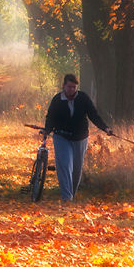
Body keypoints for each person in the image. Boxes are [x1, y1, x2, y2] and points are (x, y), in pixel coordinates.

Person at [43, 73, 113, 201]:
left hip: (80, 137)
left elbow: (93, 115)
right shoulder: (57, 99)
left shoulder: (83, 98)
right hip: (61, 136)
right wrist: (47, 130)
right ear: (64, 86)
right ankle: (67, 198)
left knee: (76, 169)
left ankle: (72, 195)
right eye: (69, 87)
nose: (71, 90)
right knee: (65, 165)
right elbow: (50, 117)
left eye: (74, 87)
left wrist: (105, 128)